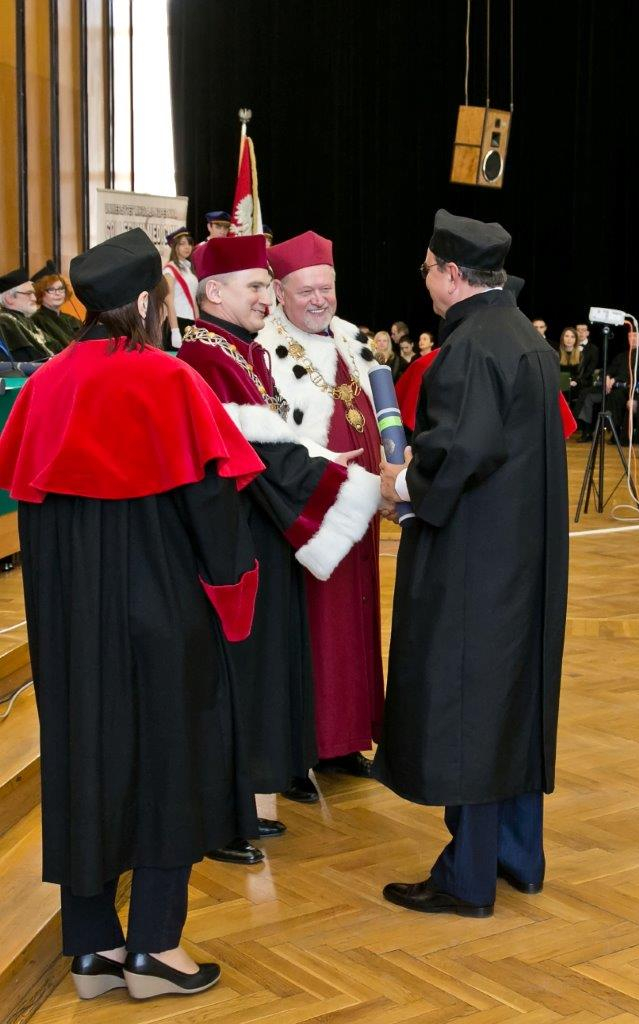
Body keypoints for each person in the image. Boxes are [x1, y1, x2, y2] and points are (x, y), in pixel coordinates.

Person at [0, 228, 265, 999]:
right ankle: (153, 946)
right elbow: (215, 508)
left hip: (69, 623)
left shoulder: (44, 386)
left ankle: (92, 948)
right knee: (168, 764)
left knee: (82, 759)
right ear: (148, 300)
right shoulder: (169, 380)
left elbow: (28, 503)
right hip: (162, 612)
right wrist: (233, 594)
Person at [375, 210, 568, 917]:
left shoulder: (470, 347)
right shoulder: (525, 338)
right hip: (523, 560)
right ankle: (518, 855)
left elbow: (457, 455)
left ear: (454, 275)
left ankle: (468, 877)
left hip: (474, 565)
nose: (425, 280)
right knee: (514, 700)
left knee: (471, 709)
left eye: (429, 269)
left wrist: (400, 484)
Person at [177, 235, 380, 860]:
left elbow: (281, 446)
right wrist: (347, 485)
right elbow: (261, 455)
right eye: (258, 287)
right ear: (215, 292)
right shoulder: (208, 356)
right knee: (237, 674)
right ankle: (229, 813)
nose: (268, 297)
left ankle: (252, 797)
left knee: (261, 671)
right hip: (237, 539)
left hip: (265, 534)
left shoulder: (236, 349)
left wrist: (327, 469)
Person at [258, 231, 384, 778]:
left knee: (356, 621)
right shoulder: (265, 347)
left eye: (326, 288)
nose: (319, 300)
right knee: (314, 627)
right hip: (311, 510)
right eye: (306, 290)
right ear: (279, 293)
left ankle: (345, 741)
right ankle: (302, 749)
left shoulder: (352, 336)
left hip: (363, 508)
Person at [0, 268, 53, 362]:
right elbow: (27, 360)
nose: (34, 298)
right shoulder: (5, 322)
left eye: (33, 293)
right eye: (29, 293)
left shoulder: (25, 319)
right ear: (9, 298)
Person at [31, 268, 82, 352]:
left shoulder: (72, 319)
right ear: (40, 293)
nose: (58, 293)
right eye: (51, 289)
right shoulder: (36, 320)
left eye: (61, 288)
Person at [163, 227, 198, 348]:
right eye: (182, 243)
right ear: (174, 246)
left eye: (189, 243)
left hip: (192, 324)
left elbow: (194, 301)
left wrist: (198, 324)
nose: (187, 247)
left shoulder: (189, 269)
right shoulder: (169, 270)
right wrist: (175, 331)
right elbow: (169, 302)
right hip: (177, 321)